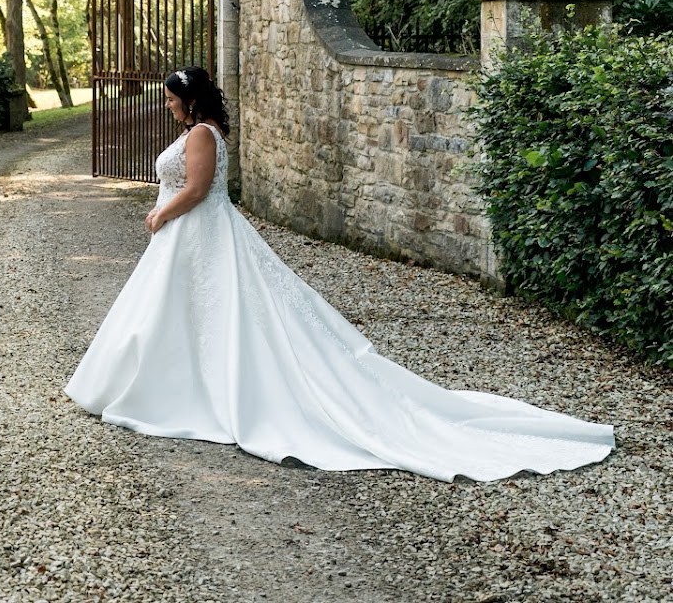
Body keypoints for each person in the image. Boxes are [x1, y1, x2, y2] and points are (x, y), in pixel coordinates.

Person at [65, 66, 614, 482]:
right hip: (188, 239)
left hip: (198, 233)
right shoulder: (198, 130)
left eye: (170, 99)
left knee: (217, 313)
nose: (166, 106)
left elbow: (198, 189)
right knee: (182, 313)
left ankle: (190, 393)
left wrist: (161, 213)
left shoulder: (202, 135)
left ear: (189, 100)